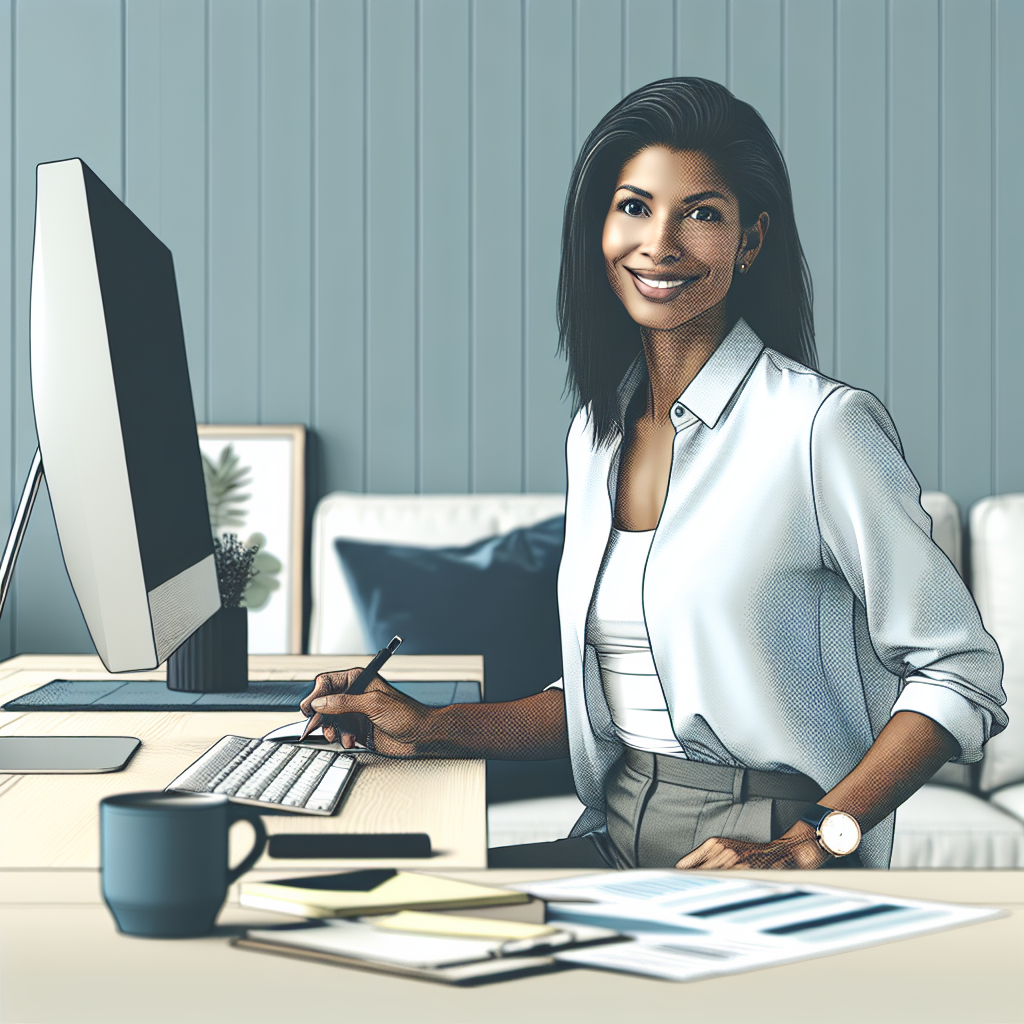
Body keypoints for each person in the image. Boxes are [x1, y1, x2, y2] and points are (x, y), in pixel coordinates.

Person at [301, 78, 1006, 870]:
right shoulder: (595, 436)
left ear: (752, 241)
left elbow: (960, 673)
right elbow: (611, 701)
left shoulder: (819, 429)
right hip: (615, 829)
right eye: (634, 207)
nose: (660, 243)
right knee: (385, 903)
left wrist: (814, 843)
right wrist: (429, 727)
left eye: (702, 214)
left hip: (762, 849)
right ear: (598, 230)